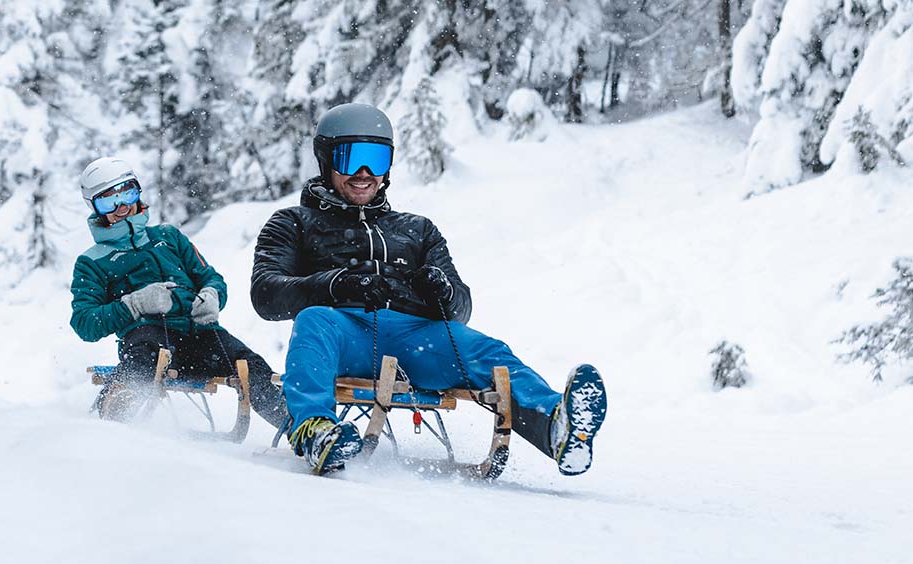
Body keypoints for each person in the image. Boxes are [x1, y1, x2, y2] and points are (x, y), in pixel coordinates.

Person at [250, 103, 607, 475]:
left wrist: (443, 291)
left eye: (376, 159)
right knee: (313, 322)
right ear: (326, 160)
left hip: (414, 340)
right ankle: (316, 431)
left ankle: (556, 427)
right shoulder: (294, 222)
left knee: (479, 346)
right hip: (343, 332)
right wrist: (335, 283)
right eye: (352, 157)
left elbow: (461, 306)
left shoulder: (417, 229)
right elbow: (266, 293)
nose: (364, 173)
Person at [70, 156, 289, 429]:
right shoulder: (93, 261)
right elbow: (84, 323)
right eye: (108, 201)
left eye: (127, 192)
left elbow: (210, 277)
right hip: (148, 339)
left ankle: (299, 428)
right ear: (95, 207)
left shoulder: (168, 237)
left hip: (201, 336)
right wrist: (134, 304)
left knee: (250, 364)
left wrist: (212, 295)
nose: (122, 206)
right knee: (144, 356)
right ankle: (114, 411)